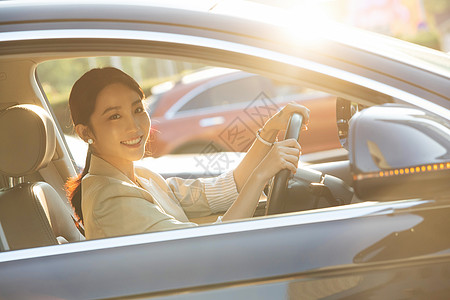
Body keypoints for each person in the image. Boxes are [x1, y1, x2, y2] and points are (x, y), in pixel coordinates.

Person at [66, 67, 309, 240]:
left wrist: (268, 131)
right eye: (114, 116)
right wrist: (261, 176)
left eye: (138, 109)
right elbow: (207, 247)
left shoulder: (140, 176)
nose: (135, 126)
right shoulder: (109, 200)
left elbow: (220, 190)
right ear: (86, 132)